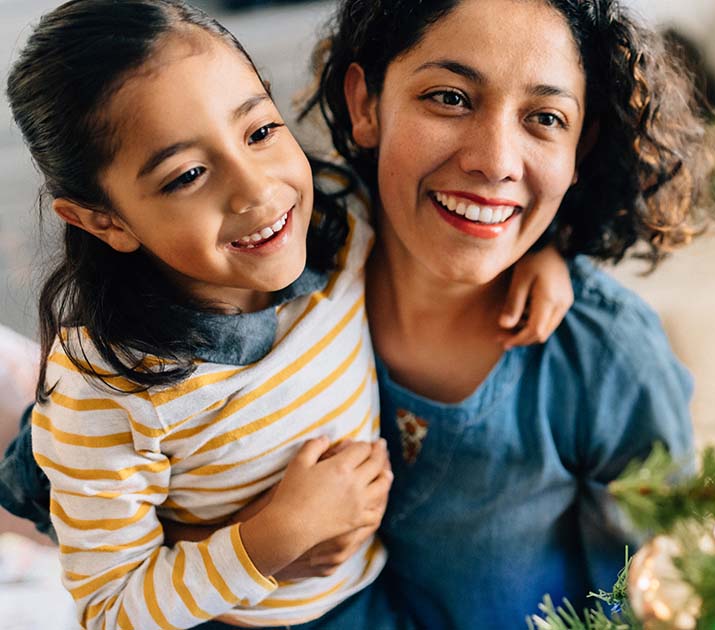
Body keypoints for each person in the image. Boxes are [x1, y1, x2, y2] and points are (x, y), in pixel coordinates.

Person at [0, 1, 573, 628]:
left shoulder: (340, 223)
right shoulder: (105, 393)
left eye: (260, 132)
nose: (257, 190)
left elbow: (450, 219)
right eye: (188, 174)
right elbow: (109, 612)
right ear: (102, 220)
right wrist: (273, 539)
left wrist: (539, 255)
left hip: (379, 589)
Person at [296, 0, 715, 624]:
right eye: (450, 98)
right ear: (366, 105)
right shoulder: (288, 289)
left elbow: (657, 597)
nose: (494, 160)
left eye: (545, 117)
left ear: (580, 147)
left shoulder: (605, 358)